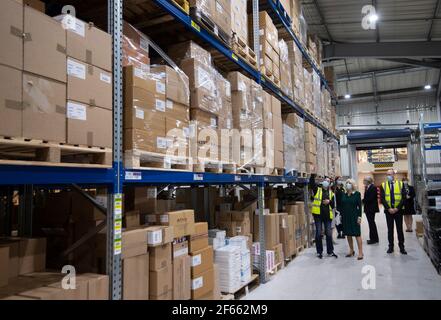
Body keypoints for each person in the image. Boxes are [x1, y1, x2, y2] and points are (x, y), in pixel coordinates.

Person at [310, 176, 338, 259]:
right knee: (318, 233)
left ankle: (330, 251)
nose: (326, 182)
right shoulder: (317, 190)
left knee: (329, 234)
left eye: (328, 181)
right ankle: (319, 252)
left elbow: (333, 206)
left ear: (329, 184)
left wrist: (329, 201)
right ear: (322, 183)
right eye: (325, 181)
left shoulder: (331, 193)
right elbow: (312, 184)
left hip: (327, 216)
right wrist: (312, 174)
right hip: (318, 215)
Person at [380, 169, 407, 255]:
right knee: (390, 230)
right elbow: (382, 199)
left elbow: (403, 198)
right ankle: (390, 247)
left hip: (398, 211)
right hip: (388, 211)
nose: (389, 176)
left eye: (390, 174)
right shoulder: (383, 185)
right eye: (387, 174)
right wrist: (388, 208)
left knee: (399, 229)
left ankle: (402, 247)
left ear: (393, 175)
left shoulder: (400, 184)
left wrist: (397, 208)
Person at [341, 179, 364, 260]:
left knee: (357, 234)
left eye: (349, 183)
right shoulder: (344, 194)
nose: (348, 184)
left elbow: (360, 207)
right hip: (345, 217)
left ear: (353, 185)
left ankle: (360, 252)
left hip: (354, 216)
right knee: (348, 234)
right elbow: (342, 206)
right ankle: (351, 250)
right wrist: (340, 216)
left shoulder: (357, 194)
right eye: (346, 183)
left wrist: (359, 217)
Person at [362, 176, 379, 244]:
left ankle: (374, 239)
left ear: (367, 181)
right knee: (371, 223)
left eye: (364, 181)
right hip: (369, 208)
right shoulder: (368, 187)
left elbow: (370, 198)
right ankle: (373, 238)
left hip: (371, 209)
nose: (363, 182)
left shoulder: (373, 187)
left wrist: (361, 201)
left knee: (371, 223)